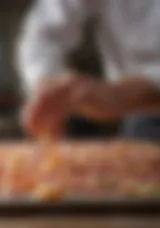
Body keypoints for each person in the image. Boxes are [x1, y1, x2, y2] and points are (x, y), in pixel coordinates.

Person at [17, 0, 160, 140]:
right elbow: (44, 32)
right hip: (139, 117)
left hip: (135, 106)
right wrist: (46, 84)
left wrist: (123, 93)